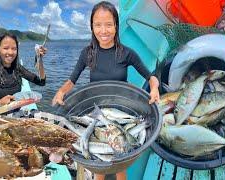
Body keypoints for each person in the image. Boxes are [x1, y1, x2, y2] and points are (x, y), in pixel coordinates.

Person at [51, 1, 159, 180]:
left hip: (121, 113)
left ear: (116, 26)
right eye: (98, 25)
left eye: (109, 24)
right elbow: (72, 81)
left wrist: (154, 89)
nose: (104, 30)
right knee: (98, 167)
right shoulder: (87, 53)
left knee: (121, 165)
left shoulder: (126, 53)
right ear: (92, 27)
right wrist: (61, 91)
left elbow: (151, 77)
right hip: (97, 112)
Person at [0, 32, 47, 112]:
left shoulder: (18, 69)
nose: (10, 52)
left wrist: (40, 58)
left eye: (14, 49)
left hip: (16, 117)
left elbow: (42, 82)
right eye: (6, 48)